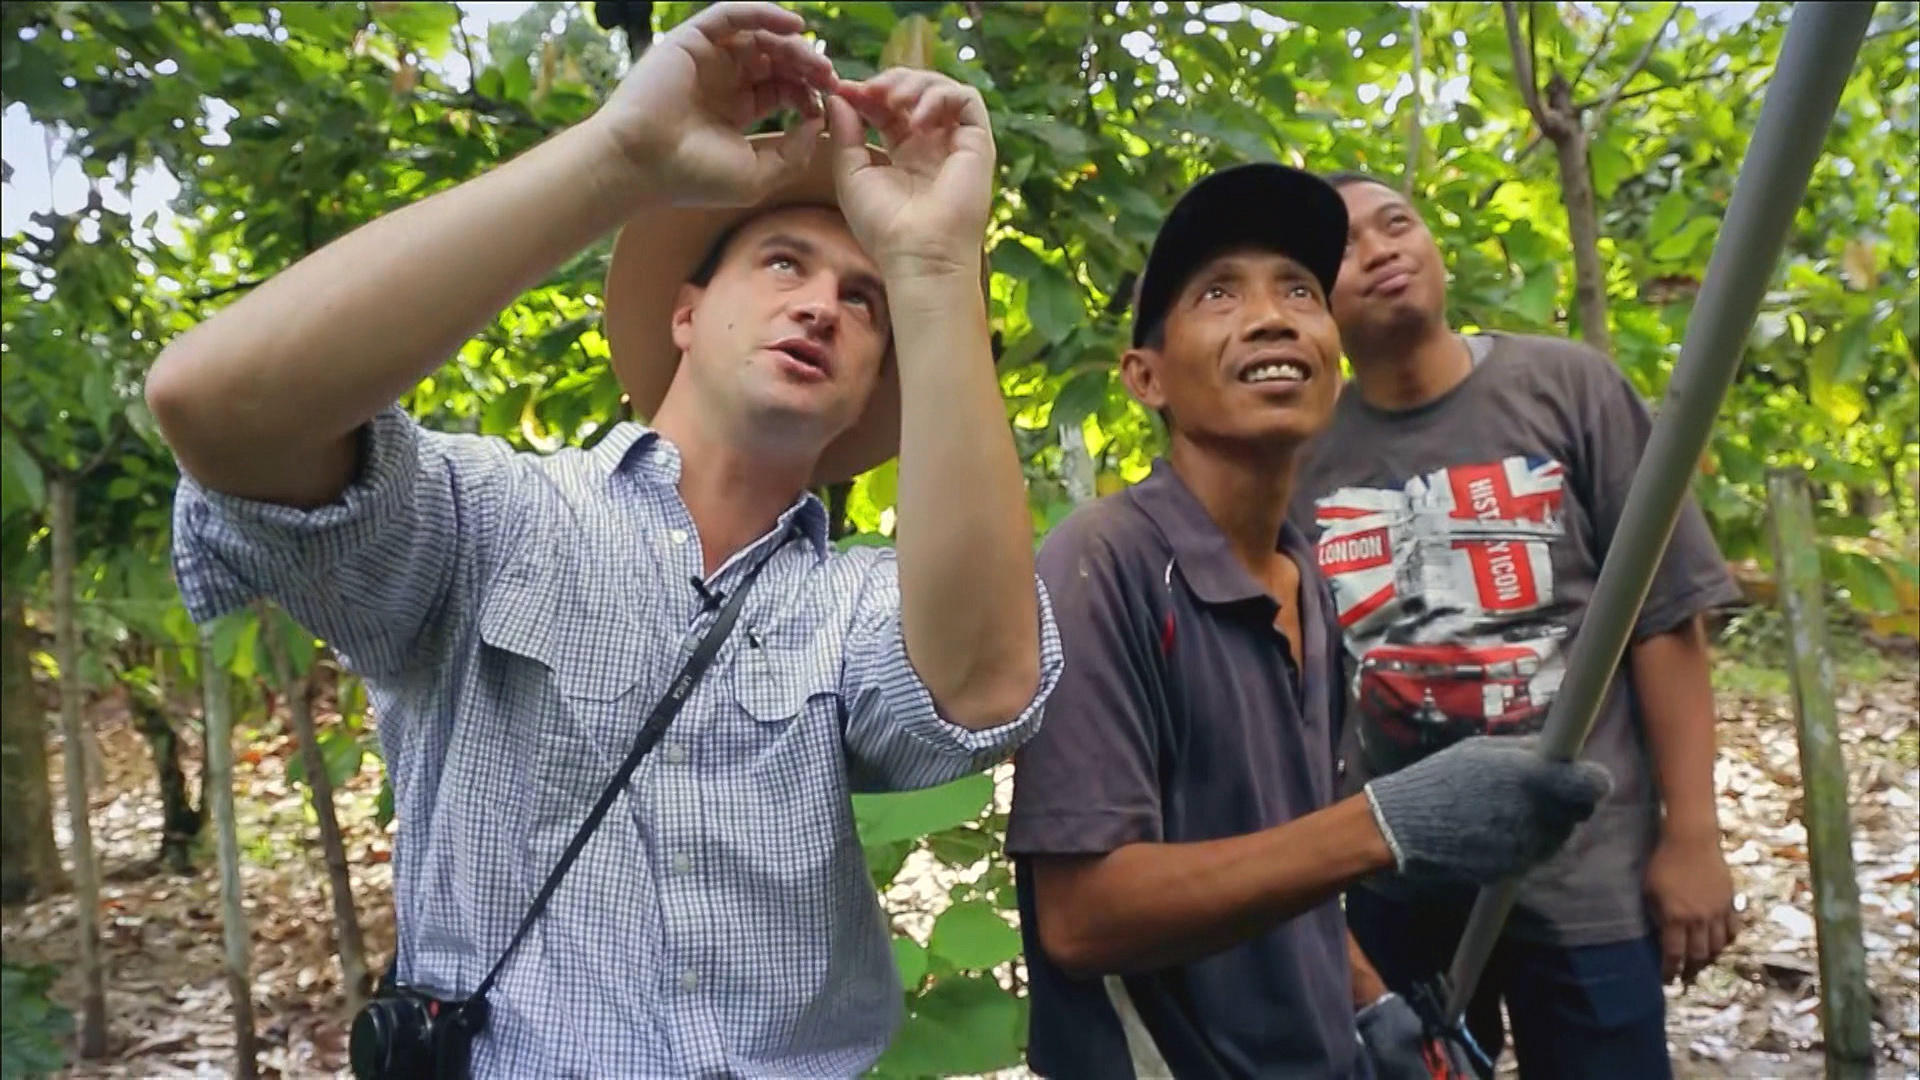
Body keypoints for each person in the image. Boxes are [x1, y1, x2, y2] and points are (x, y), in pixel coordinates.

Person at [146, 4, 1063, 1074]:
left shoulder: (855, 607)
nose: (822, 307)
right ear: (685, 311)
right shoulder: (492, 519)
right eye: (781, 264)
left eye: (865, 304)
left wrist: (938, 266)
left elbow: (985, 686)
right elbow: (215, 408)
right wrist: (618, 156)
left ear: (869, 391)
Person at [1005, 162, 1615, 1079]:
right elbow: (1084, 918)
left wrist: (1371, 1009)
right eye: (1219, 294)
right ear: (1145, 376)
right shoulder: (1105, 565)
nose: (1272, 316)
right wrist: (1388, 825)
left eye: (1299, 290)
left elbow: (1294, 866)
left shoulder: (1306, 577)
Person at [1291, 171, 1747, 1079]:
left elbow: (1664, 621)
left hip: (1582, 875)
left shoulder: (1567, 388)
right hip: (1396, 870)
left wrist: (1692, 835)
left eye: (1397, 223)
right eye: (1344, 246)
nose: (1382, 249)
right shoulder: (1304, 455)